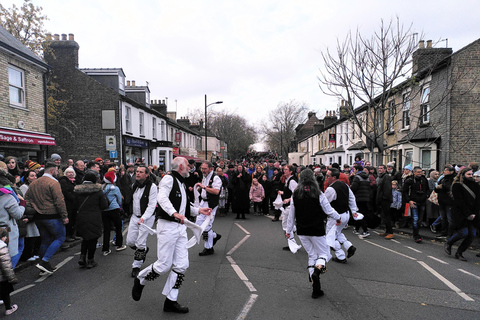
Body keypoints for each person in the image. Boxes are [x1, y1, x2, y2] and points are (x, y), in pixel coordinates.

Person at [131, 157, 212, 313]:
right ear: (181, 166)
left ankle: (170, 301)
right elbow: (162, 199)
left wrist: (198, 210)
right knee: (164, 265)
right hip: (167, 227)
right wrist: (174, 213)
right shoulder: (168, 178)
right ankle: (140, 279)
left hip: (180, 228)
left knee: (182, 265)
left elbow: (182, 205)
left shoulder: (181, 182)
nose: (190, 168)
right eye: (188, 165)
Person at [285, 169, 341, 298]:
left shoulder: (296, 194)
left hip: (302, 230)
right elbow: (329, 210)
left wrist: (289, 231)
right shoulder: (318, 193)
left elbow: (291, 215)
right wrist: (338, 217)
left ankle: (316, 287)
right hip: (317, 229)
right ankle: (317, 271)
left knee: (311, 255)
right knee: (324, 254)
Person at [24, 162, 68, 274]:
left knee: (46, 240)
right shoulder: (54, 183)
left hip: (38, 217)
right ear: (52, 171)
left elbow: (26, 199)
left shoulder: (34, 183)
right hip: (52, 216)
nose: (57, 173)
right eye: (57, 170)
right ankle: (44, 261)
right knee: (60, 237)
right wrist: (64, 215)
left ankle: (44, 267)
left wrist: (34, 207)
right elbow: (60, 201)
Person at [126, 165, 158, 277]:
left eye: (140, 172)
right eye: (137, 172)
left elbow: (152, 205)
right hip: (135, 216)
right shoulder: (134, 185)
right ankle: (143, 250)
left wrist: (144, 218)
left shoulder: (152, 187)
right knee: (130, 241)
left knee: (140, 242)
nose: (137, 173)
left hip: (147, 218)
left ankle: (136, 266)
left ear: (146, 174)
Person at [444, 168, 480, 261]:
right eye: (469, 174)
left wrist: (474, 213)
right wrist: (468, 213)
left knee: (472, 234)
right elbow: (460, 201)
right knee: (463, 232)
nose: (471, 176)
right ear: (462, 175)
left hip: (473, 214)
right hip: (460, 213)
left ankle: (459, 252)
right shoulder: (457, 185)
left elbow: (478, 201)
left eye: (472, 174)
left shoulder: (475, 185)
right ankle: (449, 242)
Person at [74, 172, 109, 268]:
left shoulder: (77, 191)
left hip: (81, 216)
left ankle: (82, 257)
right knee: (93, 238)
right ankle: (90, 260)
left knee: (85, 238)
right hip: (94, 217)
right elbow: (104, 206)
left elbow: (74, 205)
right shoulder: (98, 191)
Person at [324, 168, 358, 262]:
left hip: (336, 217)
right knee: (337, 232)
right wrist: (353, 210)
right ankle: (349, 246)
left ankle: (340, 256)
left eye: (327, 176)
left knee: (330, 236)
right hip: (346, 214)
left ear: (334, 177)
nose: (326, 178)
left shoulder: (331, 189)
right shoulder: (344, 185)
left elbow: (324, 204)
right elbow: (351, 198)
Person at [196, 161, 222, 256]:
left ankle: (208, 248)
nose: (202, 170)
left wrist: (204, 188)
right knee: (198, 224)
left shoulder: (216, 178)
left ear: (211, 168)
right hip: (203, 202)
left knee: (206, 226)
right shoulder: (205, 176)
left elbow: (216, 191)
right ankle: (214, 236)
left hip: (210, 204)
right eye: (202, 168)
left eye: (205, 168)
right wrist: (199, 188)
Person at [101, 171, 126, 256]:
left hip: (104, 210)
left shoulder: (101, 188)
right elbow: (119, 200)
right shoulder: (115, 188)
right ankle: (119, 245)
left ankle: (105, 249)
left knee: (106, 229)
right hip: (114, 209)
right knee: (118, 227)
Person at [403, 166, 429, 243]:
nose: (420, 173)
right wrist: (409, 200)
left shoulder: (424, 180)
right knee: (415, 219)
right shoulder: (409, 180)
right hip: (414, 202)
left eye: (421, 172)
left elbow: (427, 189)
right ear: (414, 172)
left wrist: (427, 195)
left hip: (422, 202)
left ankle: (417, 233)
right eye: (418, 172)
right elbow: (405, 192)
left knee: (420, 220)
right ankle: (416, 235)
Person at [19, 171, 40, 261]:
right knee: (29, 234)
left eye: (35, 175)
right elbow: (24, 201)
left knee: (34, 234)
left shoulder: (34, 187)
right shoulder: (24, 187)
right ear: (27, 177)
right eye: (32, 176)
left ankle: (31, 253)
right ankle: (27, 255)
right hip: (28, 213)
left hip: (33, 212)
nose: (34, 177)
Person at [0, 228, 18, 315]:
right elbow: (6, 265)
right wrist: (12, 278)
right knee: (5, 292)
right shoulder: (1, 246)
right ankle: (8, 308)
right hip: (1, 277)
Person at [279, 165, 298, 250]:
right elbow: (290, 192)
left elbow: (296, 193)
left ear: (291, 171)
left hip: (290, 205)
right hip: (289, 205)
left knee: (286, 223)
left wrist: (289, 199)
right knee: (287, 223)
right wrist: (283, 193)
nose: (284, 171)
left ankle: (292, 243)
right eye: (284, 169)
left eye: (286, 170)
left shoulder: (292, 181)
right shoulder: (288, 180)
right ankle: (292, 240)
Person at [350, 165, 371, 238]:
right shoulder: (367, 177)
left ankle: (365, 230)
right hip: (366, 197)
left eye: (354, 169)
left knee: (359, 214)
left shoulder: (357, 177)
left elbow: (353, 188)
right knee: (361, 212)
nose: (353, 171)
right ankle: (357, 228)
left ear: (357, 169)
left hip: (358, 198)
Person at [59, 167, 77, 242]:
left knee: (73, 219)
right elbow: (66, 192)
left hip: (73, 204)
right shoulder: (64, 181)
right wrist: (74, 198)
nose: (70, 174)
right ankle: (67, 235)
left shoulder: (73, 181)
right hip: (68, 203)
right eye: (69, 172)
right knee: (68, 219)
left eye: (72, 172)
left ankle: (72, 234)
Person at [377, 165, 394, 239]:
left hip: (385, 199)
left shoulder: (386, 177)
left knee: (387, 216)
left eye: (381, 168)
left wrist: (384, 198)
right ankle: (387, 231)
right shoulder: (381, 177)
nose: (380, 170)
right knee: (384, 216)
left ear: (384, 170)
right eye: (379, 168)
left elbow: (387, 189)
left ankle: (390, 232)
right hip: (382, 199)